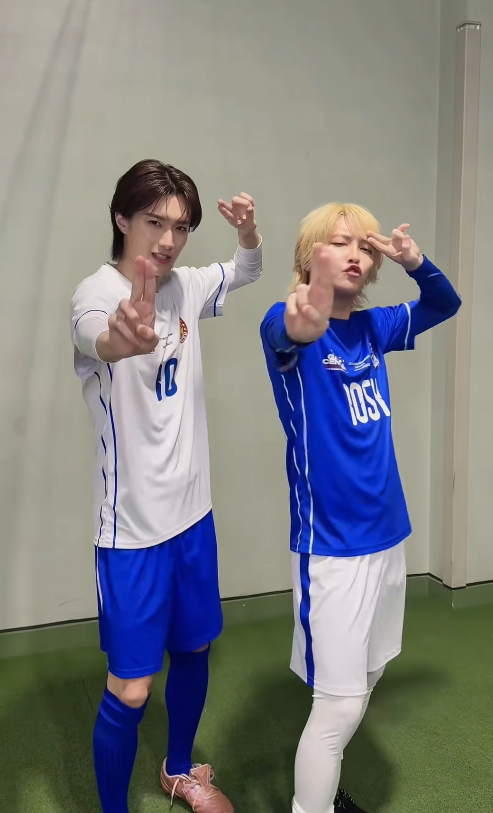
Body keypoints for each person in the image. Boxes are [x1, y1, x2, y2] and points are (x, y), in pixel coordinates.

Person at [70, 159, 262, 813]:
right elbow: (94, 335)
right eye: (155, 222)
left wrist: (248, 234)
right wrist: (119, 340)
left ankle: (180, 770)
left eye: (181, 227)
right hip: (132, 532)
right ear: (122, 218)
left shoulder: (187, 284)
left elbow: (246, 270)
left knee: (194, 647)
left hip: (193, 517)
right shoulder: (97, 292)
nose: (169, 239)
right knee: (131, 689)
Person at [260, 203, 461, 813]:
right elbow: (287, 333)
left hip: (387, 535)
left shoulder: (374, 328)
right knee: (339, 704)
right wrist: (302, 320)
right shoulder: (289, 321)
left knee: (368, 677)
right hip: (332, 548)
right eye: (338, 242)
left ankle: (323, 792)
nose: (355, 255)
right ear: (309, 256)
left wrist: (416, 262)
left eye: (364, 247)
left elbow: (444, 303)